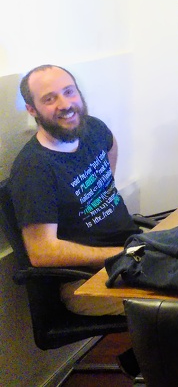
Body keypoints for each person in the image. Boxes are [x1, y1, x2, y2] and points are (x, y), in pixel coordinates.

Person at [7, 64, 141, 316]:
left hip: (129, 254)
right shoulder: (34, 169)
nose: (65, 104)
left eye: (69, 92)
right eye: (50, 99)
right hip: (84, 281)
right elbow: (41, 253)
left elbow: (111, 146)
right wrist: (124, 254)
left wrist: (132, 252)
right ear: (32, 109)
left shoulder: (93, 128)